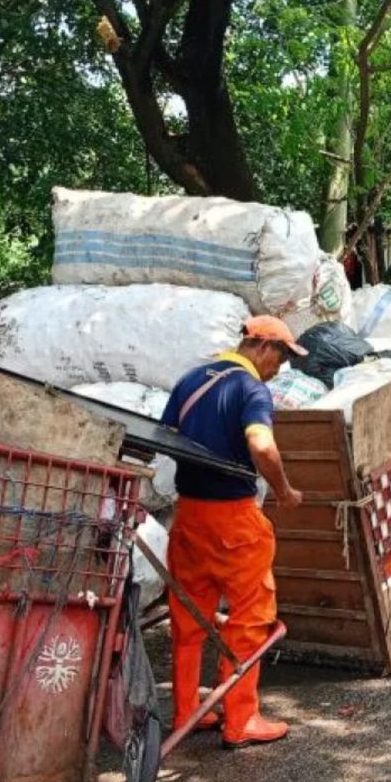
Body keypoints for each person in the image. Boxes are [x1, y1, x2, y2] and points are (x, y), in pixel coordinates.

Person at [159, 315, 305, 749]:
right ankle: (241, 720)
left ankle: (187, 712)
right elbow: (260, 444)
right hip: (234, 521)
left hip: (188, 518)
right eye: (280, 357)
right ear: (262, 347)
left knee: (189, 618)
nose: (279, 368)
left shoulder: (189, 381)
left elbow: (166, 437)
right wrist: (284, 489)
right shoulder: (250, 389)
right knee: (249, 619)